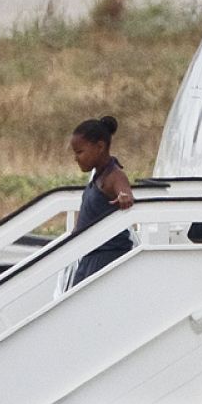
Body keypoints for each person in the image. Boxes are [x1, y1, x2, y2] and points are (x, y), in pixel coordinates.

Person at [69, 116, 134, 286]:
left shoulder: (114, 175)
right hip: (90, 255)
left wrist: (124, 197)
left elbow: (124, 190)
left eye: (80, 152)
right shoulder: (98, 175)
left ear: (99, 147)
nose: (76, 158)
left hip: (105, 256)